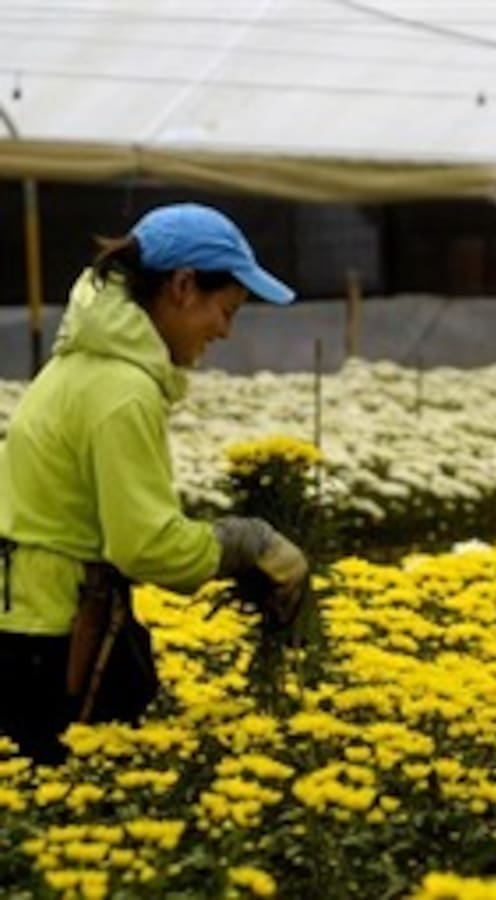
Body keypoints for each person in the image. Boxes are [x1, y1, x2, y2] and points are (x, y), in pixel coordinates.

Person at [0, 203, 310, 764]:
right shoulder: (122, 389)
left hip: (26, 616)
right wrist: (248, 542)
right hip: (54, 638)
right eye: (226, 309)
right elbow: (145, 545)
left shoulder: (81, 366)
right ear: (184, 286)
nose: (225, 330)